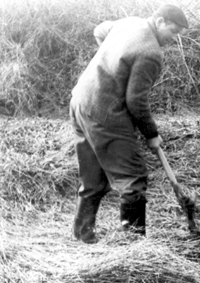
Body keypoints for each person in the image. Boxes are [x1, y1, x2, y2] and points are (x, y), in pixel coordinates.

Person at [69, 4, 189, 244]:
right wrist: (151, 134)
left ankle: (82, 234)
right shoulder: (150, 53)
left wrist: (109, 63)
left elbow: (99, 30)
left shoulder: (128, 22)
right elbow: (136, 101)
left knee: (93, 178)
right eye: (173, 31)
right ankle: (133, 249)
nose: (174, 39)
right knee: (133, 178)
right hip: (105, 114)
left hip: (80, 102)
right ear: (160, 21)